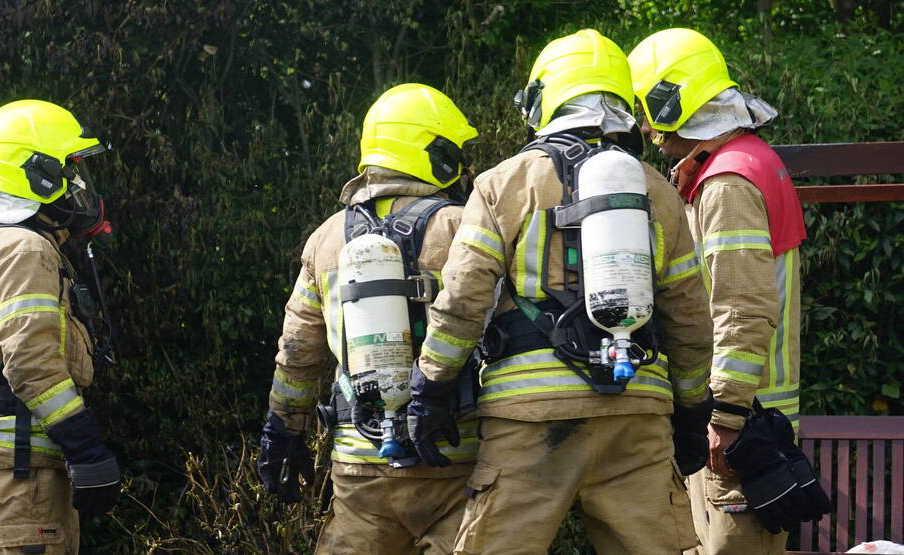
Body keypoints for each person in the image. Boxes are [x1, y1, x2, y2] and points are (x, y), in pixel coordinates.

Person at [408, 29, 715, 554]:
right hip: (635, 412)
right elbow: (689, 315)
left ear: (544, 100)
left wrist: (430, 385)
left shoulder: (503, 183)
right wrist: (691, 410)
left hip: (528, 416)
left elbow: (462, 298)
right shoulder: (656, 190)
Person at [259, 83, 481, 554]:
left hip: (360, 458)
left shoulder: (326, 238)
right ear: (436, 153)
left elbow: (297, 353)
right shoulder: (463, 226)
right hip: (453, 454)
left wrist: (284, 429)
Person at [628, 27, 807, 554]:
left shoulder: (727, 182)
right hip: (749, 415)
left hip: (737, 425)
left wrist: (724, 416)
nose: (645, 128)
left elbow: (740, 306)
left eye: (645, 109)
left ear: (670, 103)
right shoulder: (748, 161)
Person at [0, 99, 120, 554]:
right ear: (37, 172)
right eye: (71, 170)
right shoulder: (22, 248)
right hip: (14, 478)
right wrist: (85, 445)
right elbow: (31, 362)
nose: (79, 186)